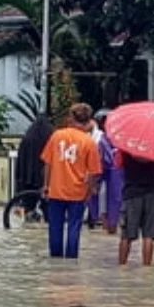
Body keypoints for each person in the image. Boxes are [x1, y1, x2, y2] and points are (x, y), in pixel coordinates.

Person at [40, 103, 102, 259]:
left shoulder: (57, 136)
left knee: (55, 228)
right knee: (74, 228)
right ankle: (71, 264)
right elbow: (94, 172)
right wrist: (90, 191)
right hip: (77, 192)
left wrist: (46, 185)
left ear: (70, 118)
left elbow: (48, 163)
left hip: (56, 190)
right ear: (88, 121)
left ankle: (55, 262)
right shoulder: (89, 143)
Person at [118, 152, 154, 266]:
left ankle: (121, 267)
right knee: (149, 234)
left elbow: (118, 165)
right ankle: (146, 269)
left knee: (126, 235)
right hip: (152, 193)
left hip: (131, 194)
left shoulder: (125, 148)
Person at [93, 109, 124, 234]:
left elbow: (101, 163)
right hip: (117, 180)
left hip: (112, 179)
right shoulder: (118, 140)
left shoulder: (104, 140)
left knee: (108, 209)